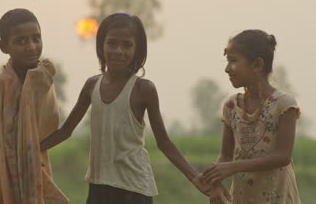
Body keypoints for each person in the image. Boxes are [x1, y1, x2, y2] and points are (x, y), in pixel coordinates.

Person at [40, 13, 209, 204]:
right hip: (98, 187)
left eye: (127, 45)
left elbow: (164, 142)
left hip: (133, 189)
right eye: (112, 43)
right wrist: (32, 149)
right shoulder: (91, 85)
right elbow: (66, 130)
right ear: (101, 45)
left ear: (137, 50)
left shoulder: (143, 89)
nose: (119, 51)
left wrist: (195, 177)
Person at [0, 8, 68, 204]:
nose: (31, 47)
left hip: (36, 167)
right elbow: (1, 138)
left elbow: (49, 125)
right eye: (21, 41)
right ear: (3, 46)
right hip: (6, 171)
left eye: (36, 38)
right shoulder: (1, 83)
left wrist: (31, 151)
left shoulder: (43, 79)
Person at [203, 30, 301, 204]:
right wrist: (215, 183)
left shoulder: (284, 105)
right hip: (242, 197)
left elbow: (283, 156)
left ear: (257, 65)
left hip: (277, 197)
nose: (227, 69)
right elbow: (225, 155)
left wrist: (235, 166)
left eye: (233, 61)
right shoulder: (231, 106)